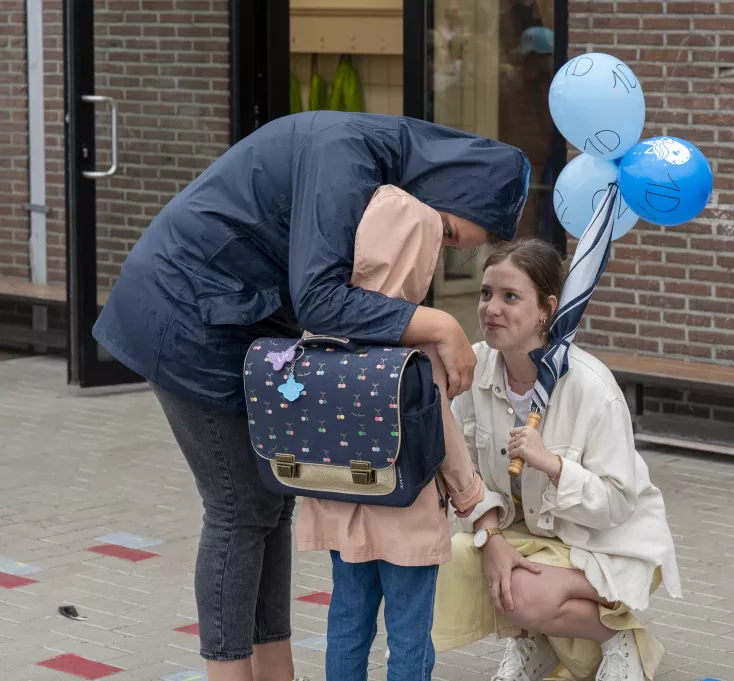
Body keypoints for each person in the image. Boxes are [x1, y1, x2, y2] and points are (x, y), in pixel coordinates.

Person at [91, 111, 530, 681]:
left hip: (232, 319)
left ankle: (276, 670)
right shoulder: (344, 154)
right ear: (443, 189)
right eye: (444, 233)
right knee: (237, 509)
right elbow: (321, 299)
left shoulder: (371, 161)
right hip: (183, 315)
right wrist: (439, 326)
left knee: (268, 503)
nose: (434, 250)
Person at [431, 239, 682, 681]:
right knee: (450, 559)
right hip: (523, 532)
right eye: (486, 293)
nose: (491, 307)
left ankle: (619, 640)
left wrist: (553, 465)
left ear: (547, 309)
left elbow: (618, 503)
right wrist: (490, 539)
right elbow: (461, 469)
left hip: (602, 542)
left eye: (511, 297)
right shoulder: (474, 368)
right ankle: (535, 644)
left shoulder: (591, 388)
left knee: (523, 593)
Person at [298, 185, 487, 681]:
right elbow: (443, 435)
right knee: (408, 634)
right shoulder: (416, 352)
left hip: (342, 507)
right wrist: (471, 497)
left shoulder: (319, 339)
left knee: (346, 623)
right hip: (407, 512)